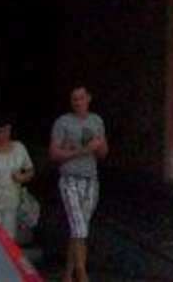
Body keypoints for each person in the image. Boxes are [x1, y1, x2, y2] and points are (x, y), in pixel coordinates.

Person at [50, 85, 108, 282]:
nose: (78, 102)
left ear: (88, 99)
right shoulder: (62, 122)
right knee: (79, 227)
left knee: (79, 230)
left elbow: (103, 153)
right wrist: (81, 151)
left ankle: (68, 275)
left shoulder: (96, 121)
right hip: (70, 179)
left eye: (81, 98)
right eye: (74, 99)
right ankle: (82, 275)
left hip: (90, 179)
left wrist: (98, 145)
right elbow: (54, 154)